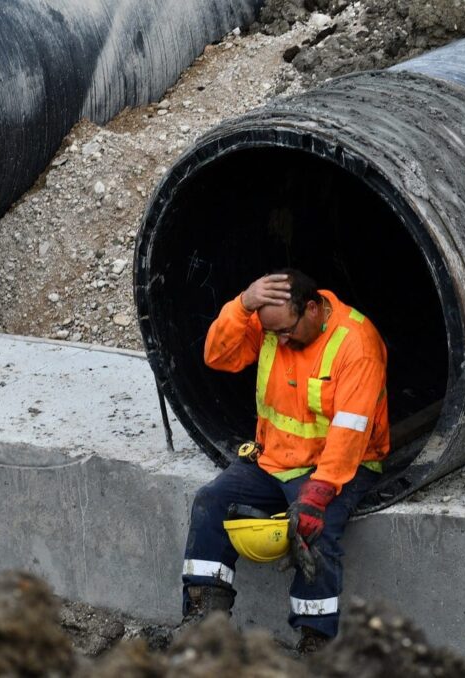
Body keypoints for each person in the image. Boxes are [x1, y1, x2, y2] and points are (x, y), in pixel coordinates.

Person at [180, 268, 390, 652]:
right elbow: (217, 355)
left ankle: (316, 641)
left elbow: (349, 433)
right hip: (274, 458)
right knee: (211, 502)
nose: (279, 339)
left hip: (340, 465)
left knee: (316, 530)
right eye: (272, 332)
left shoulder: (356, 343)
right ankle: (203, 622)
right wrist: (243, 305)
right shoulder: (273, 325)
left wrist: (317, 494)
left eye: (286, 331)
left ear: (312, 308)